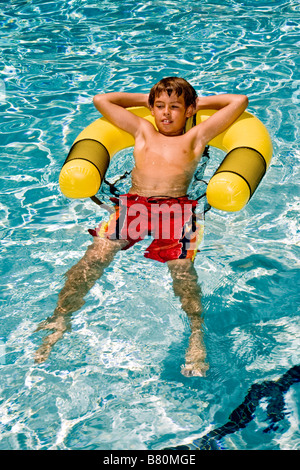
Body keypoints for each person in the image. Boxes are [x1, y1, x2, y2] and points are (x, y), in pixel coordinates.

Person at [35, 77, 248, 376]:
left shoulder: (196, 137)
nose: (166, 113)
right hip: (134, 205)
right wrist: (148, 98)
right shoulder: (143, 130)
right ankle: (60, 317)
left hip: (176, 209)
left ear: (189, 111)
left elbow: (239, 101)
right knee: (94, 256)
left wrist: (198, 102)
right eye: (159, 106)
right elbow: (101, 100)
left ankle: (196, 335)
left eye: (175, 107)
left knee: (182, 271)